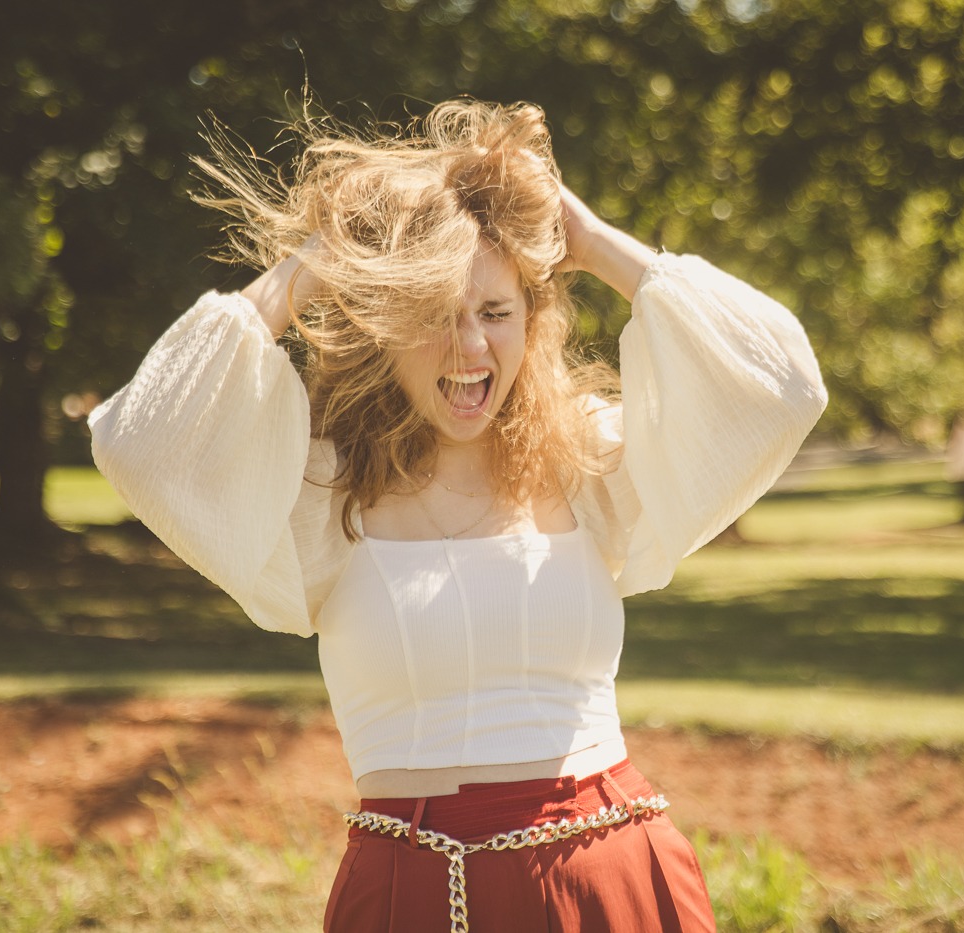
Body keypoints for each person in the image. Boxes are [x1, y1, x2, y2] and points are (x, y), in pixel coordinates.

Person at [88, 99, 827, 933]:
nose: (469, 347)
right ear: (383, 325)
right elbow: (138, 438)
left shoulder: (584, 461)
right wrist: (310, 268)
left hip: (611, 884)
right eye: (435, 314)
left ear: (531, 320)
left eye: (495, 313)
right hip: (413, 900)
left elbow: (783, 386)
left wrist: (586, 239)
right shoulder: (321, 492)